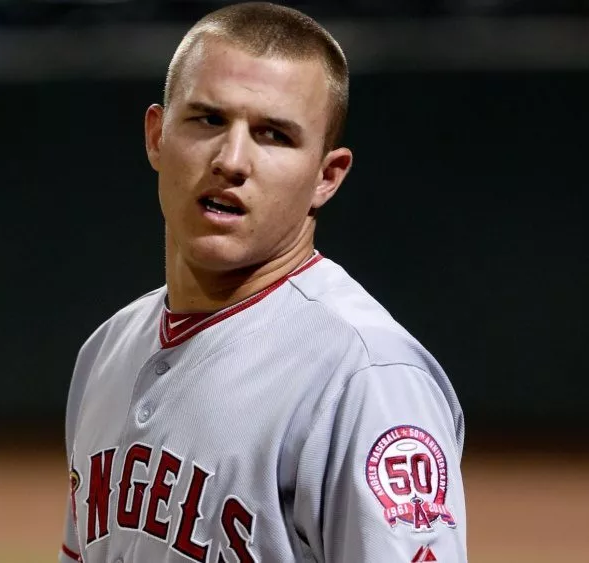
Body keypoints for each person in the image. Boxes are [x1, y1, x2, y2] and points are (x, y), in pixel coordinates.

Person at [57, 3, 468, 562]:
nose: (231, 160)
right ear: (157, 136)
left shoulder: (366, 377)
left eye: (273, 134)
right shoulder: (106, 353)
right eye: (208, 120)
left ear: (327, 176)